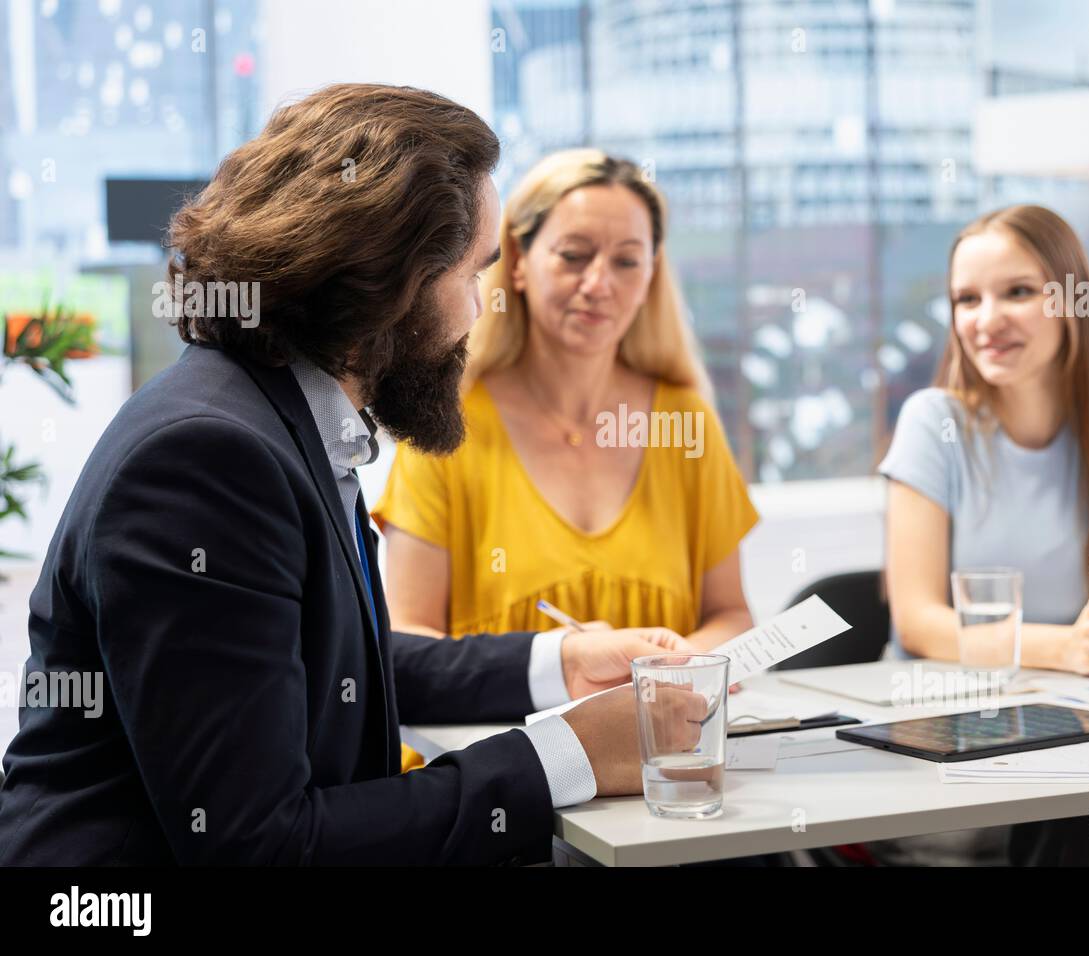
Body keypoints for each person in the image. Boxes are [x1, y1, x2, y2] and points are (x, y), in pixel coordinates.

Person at [0, 84, 704, 866]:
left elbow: (323, 660)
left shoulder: (271, 416)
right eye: (470, 277)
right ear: (391, 285)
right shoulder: (208, 460)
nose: (477, 311)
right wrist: (562, 757)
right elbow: (264, 849)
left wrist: (560, 664)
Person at [874, 204, 1089, 865]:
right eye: (966, 299)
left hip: (1077, 722)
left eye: (1017, 292)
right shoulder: (933, 423)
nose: (986, 320)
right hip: (946, 729)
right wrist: (1069, 647)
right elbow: (919, 623)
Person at [373, 148, 757, 649]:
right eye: (573, 256)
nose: (598, 285)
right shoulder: (449, 424)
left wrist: (669, 670)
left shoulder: (685, 421)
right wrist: (558, 668)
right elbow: (409, 641)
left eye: (626, 261)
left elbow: (731, 615)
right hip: (493, 730)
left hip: (658, 723)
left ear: (650, 277)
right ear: (517, 263)